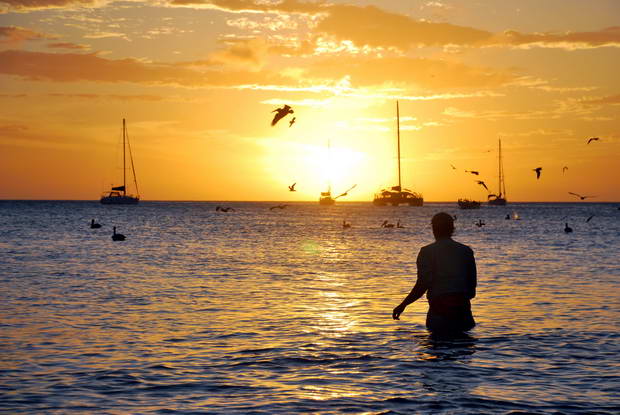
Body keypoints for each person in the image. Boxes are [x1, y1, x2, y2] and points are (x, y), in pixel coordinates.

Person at [392, 212, 477, 333]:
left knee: (437, 347)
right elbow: (471, 289)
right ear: (452, 229)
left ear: (433, 229)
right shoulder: (466, 251)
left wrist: (403, 305)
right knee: (463, 347)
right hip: (463, 312)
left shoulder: (427, 252)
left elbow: (423, 284)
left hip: (439, 313)